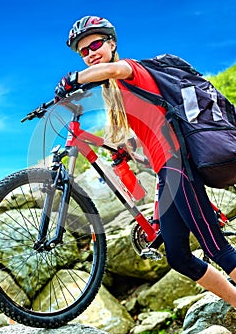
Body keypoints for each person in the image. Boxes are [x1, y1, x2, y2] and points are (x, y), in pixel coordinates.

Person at [55, 15, 236, 307]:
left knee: (217, 247)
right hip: (168, 171)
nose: (91, 54)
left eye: (96, 44)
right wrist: (121, 151)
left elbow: (114, 67)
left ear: (112, 43)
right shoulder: (117, 93)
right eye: (84, 51)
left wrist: (73, 78)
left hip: (178, 164)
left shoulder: (130, 69)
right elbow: (147, 141)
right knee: (179, 257)